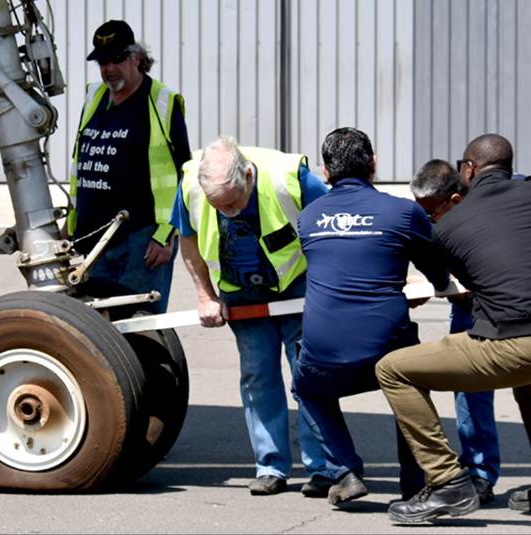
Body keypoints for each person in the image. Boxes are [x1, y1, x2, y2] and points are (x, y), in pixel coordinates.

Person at [376, 134, 531, 523]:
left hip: (520, 344)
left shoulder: (452, 224)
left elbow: (463, 283)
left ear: (469, 169)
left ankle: (446, 483)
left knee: (393, 369)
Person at [291, 128, 451, 506]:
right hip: (385, 348)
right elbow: (439, 276)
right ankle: (415, 483)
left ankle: (345, 471)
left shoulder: (310, 217)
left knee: (307, 387)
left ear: (325, 172)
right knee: (409, 387)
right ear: (374, 164)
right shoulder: (403, 212)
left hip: (324, 353)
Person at [171, 136, 334, 495]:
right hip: (241, 290)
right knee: (258, 376)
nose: (228, 212)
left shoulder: (291, 178)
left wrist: (329, 290)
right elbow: (188, 240)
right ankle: (271, 466)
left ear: (247, 175)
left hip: (298, 285)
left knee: (308, 374)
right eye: (220, 207)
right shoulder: (191, 186)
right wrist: (205, 296)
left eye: (233, 203)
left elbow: (331, 229)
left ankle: (322, 467)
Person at [67, 20, 190, 314]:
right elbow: (82, 163)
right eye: (102, 62)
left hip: (142, 240)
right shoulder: (93, 97)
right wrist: (71, 222)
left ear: (137, 58)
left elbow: (184, 173)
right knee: (99, 328)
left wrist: (166, 235)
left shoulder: (161, 101)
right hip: (94, 239)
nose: (109, 69)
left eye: (117, 60)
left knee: (140, 324)